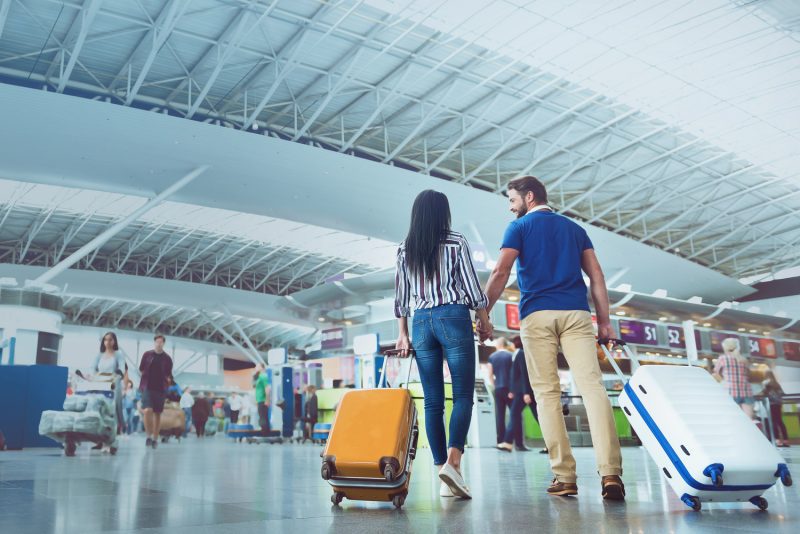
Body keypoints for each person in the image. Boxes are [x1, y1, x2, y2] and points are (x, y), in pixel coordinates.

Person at [481, 175, 625, 501]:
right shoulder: (575, 229)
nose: (510, 205)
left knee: (546, 394)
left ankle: (565, 476)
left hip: (537, 316)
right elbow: (597, 276)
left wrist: (484, 312)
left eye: (512, 199)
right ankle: (610, 473)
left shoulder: (517, 228)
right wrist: (605, 323)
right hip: (576, 314)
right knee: (592, 389)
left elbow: (500, 272)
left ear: (529, 197)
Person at [394, 189, 491, 500]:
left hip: (421, 323)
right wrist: (484, 316)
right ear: (443, 213)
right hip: (453, 317)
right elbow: (472, 287)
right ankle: (453, 462)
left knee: (433, 402)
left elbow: (401, 297)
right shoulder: (455, 241)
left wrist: (402, 333)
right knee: (462, 396)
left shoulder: (404, 249)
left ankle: (442, 472)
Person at [498, 336, 537, 452]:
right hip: (521, 391)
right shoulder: (518, 353)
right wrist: (512, 390)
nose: (511, 344)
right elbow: (515, 374)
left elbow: (524, 373)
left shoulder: (520, 353)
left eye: (512, 342)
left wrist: (526, 392)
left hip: (523, 392)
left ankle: (508, 443)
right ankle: (508, 443)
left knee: (516, 414)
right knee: (533, 415)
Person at [138, 334, 174, 449]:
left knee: (157, 414)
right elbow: (141, 368)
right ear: (154, 343)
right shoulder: (147, 355)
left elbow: (168, 374)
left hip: (160, 389)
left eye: (161, 342)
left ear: (164, 343)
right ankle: (148, 436)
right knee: (148, 410)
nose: (159, 344)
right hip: (147, 387)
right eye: (157, 342)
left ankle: (155, 438)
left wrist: (168, 382)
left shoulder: (167, 358)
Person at [92, 331, 127, 438]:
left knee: (113, 410)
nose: (107, 342)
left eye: (110, 339)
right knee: (100, 409)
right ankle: (99, 438)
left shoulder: (118, 354)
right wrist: (93, 377)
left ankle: (112, 436)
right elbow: (93, 369)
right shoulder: (99, 355)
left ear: (114, 341)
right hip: (100, 385)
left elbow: (121, 368)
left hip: (113, 385)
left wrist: (117, 375)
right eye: (105, 339)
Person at [713, 338, 755, 419]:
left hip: (731, 392)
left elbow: (715, 374)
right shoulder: (744, 359)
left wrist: (723, 382)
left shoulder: (723, 358)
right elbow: (749, 375)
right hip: (746, 391)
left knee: (735, 418)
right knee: (749, 420)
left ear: (725, 347)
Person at [487, 338, 514, 450]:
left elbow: (490, 375)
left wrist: (495, 385)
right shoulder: (511, 355)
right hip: (510, 389)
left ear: (498, 345)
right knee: (514, 415)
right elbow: (514, 373)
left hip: (498, 389)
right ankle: (512, 440)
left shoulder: (492, 357)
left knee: (500, 416)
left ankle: (501, 440)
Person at [762, 369, 788, 447]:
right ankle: (786, 441)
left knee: (773, 422)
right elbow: (782, 393)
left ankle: (777, 440)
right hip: (778, 404)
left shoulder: (765, 382)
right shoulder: (777, 383)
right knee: (780, 421)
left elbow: (764, 392)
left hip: (771, 404)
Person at [254, 364, 272, 436]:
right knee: (262, 416)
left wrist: (267, 400)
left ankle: (264, 433)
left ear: (262, 368)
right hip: (259, 400)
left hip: (263, 400)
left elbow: (267, 389)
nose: (255, 367)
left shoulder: (263, 376)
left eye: (257, 366)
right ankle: (265, 432)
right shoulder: (259, 377)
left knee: (263, 417)